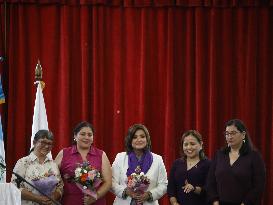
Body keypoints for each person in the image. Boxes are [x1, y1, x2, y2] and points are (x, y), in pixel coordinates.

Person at [206, 119, 266, 205]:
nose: (229, 137)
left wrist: (246, 203)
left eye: (233, 133)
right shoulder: (219, 155)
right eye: (227, 134)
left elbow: (259, 186)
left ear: (243, 135)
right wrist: (215, 201)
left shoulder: (254, 156)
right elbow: (210, 181)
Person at [55, 121, 112, 205]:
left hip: (96, 202)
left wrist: (95, 196)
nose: (86, 137)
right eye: (82, 134)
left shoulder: (101, 154)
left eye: (90, 135)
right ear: (75, 136)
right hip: (70, 201)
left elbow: (108, 182)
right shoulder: (64, 153)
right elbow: (53, 178)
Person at [111, 123, 168, 205]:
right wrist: (126, 191)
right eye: (134, 137)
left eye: (142, 136)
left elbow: (164, 184)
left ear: (147, 139)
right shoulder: (120, 157)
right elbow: (111, 182)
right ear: (130, 140)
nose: (139, 139)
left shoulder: (158, 159)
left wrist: (149, 194)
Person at [11, 130, 63, 205]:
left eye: (49, 143)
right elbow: (15, 187)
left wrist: (54, 197)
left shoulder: (53, 164)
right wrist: (36, 198)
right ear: (34, 142)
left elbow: (60, 187)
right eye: (43, 142)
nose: (46, 146)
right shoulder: (23, 162)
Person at [167, 130, 210, 205]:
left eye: (192, 144)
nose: (189, 147)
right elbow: (171, 189)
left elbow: (209, 190)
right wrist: (174, 203)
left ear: (201, 144)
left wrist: (194, 188)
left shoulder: (208, 164)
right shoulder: (176, 164)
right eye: (185, 144)